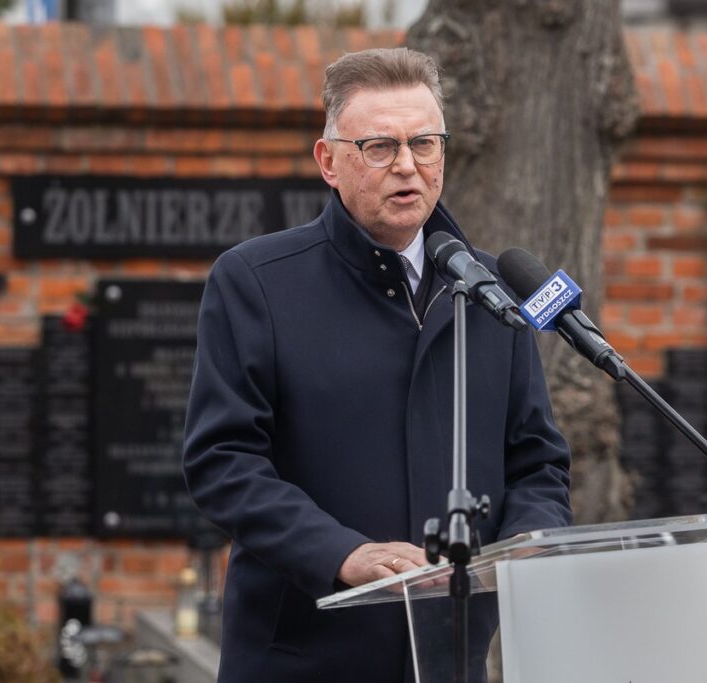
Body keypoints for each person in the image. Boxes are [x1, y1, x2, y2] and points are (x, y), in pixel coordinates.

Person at [182, 47, 572, 682]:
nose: (408, 166)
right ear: (329, 161)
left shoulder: (489, 291)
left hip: (451, 656)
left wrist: (524, 548)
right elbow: (223, 463)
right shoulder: (256, 282)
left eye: (424, 143)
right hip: (301, 659)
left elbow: (537, 462)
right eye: (380, 147)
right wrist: (344, 554)